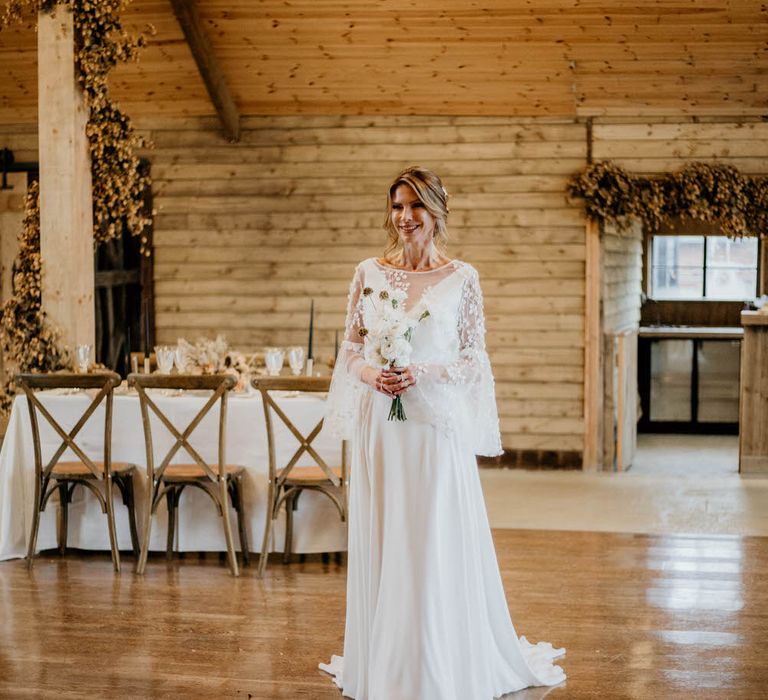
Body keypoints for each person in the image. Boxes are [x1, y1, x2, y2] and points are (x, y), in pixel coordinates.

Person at [320, 166, 566, 699]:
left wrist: (420, 372)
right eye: (397, 207)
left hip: (434, 429)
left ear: (436, 212)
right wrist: (372, 376)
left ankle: (438, 660)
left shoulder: (463, 278)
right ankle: (385, 661)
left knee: (431, 537)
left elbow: (473, 359)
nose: (405, 218)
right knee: (388, 536)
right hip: (382, 428)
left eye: (415, 207)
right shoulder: (368, 272)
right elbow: (351, 352)